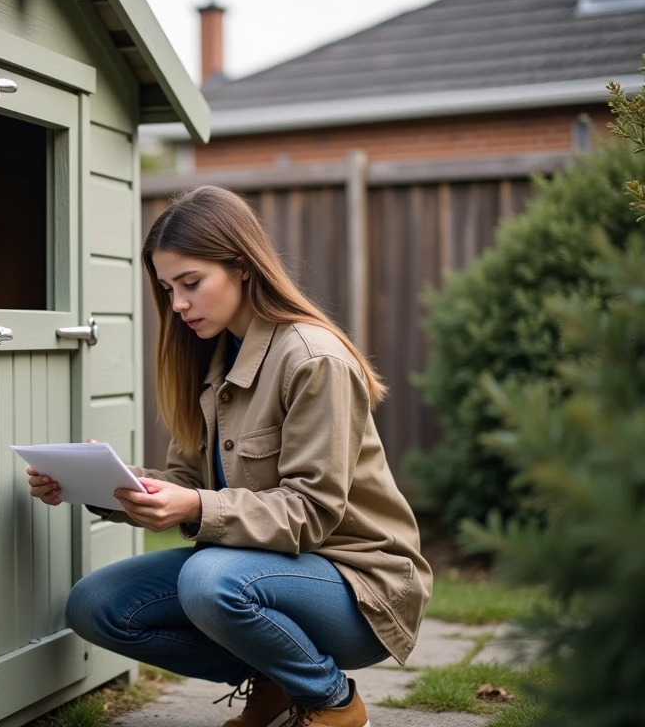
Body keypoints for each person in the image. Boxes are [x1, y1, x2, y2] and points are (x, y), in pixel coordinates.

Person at [25, 186, 431, 727]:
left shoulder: (313, 360)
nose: (178, 304)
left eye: (191, 283)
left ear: (242, 266)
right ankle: (279, 679)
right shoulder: (211, 358)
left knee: (208, 579)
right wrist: (100, 482)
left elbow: (310, 512)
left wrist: (195, 507)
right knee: (96, 605)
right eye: (168, 288)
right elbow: (186, 480)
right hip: (260, 571)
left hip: (358, 588)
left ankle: (332, 701)